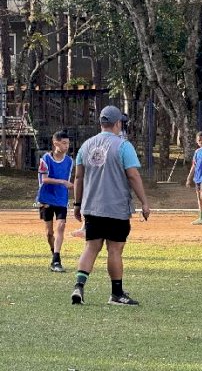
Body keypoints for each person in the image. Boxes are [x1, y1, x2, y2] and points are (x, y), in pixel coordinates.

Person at [71, 105, 150, 306]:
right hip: (116, 208)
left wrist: (78, 204)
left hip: (92, 207)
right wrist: (144, 202)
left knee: (91, 247)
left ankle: (78, 287)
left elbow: (79, 177)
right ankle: (116, 293)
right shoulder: (123, 146)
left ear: (101, 123)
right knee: (114, 249)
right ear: (117, 123)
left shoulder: (86, 146)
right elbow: (132, 175)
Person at [36, 131, 74, 272]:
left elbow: (70, 180)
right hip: (46, 198)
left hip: (61, 199)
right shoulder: (45, 159)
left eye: (68, 143)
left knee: (61, 225)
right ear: (55, 143)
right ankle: (54, 256)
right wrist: (63, 182)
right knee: (49, 233)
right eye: (64, 143)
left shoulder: (70, 161)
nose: (66, 146)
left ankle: (56, 258)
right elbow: (43, 179)